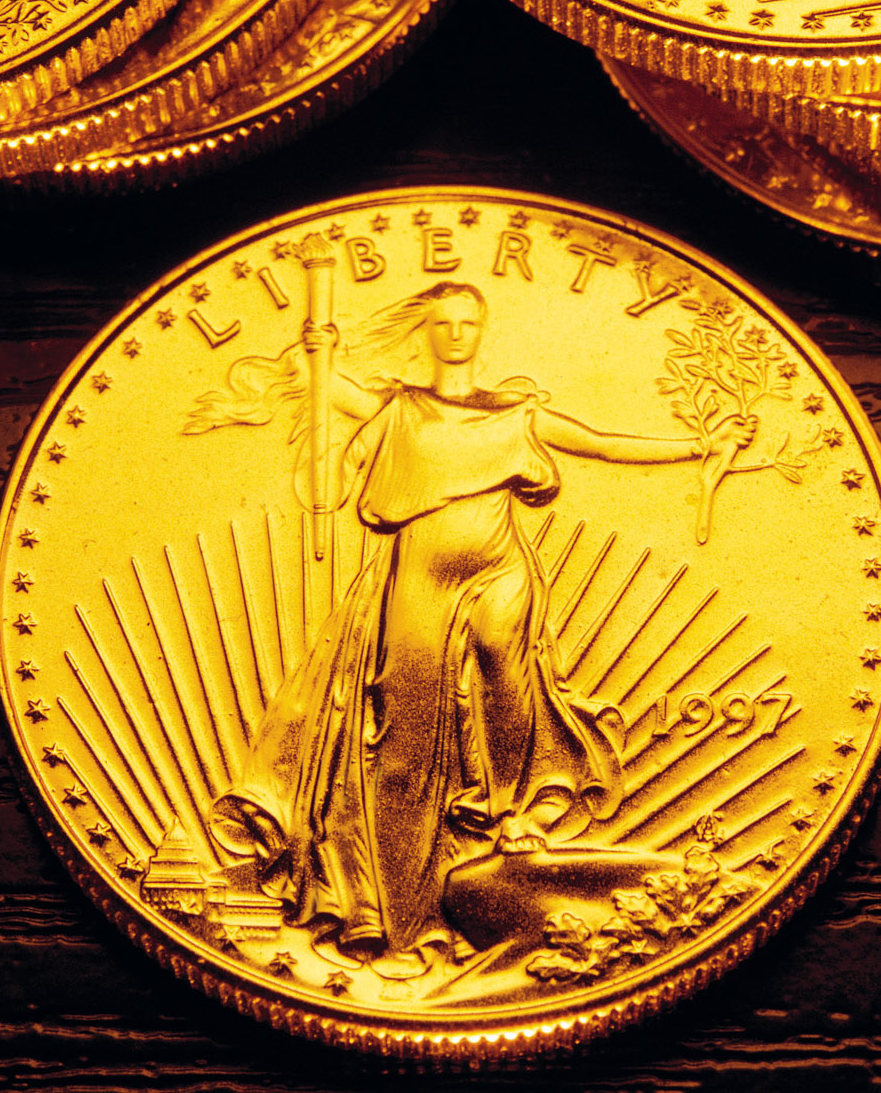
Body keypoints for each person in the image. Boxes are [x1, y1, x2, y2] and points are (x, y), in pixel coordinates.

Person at [206, 281, 756, 965]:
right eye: (445, 322)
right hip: (418, 575)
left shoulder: (515, 414)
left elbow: (602, 444)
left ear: (482, 329)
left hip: (501, 568)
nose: (457, 333)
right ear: (427, 332)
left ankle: (510, 812)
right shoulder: (400, 408)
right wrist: (317, 355)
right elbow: (332, 390)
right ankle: (399, 905)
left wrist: (698, 446)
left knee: (505, 668)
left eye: (468, 322)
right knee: (405, 722)